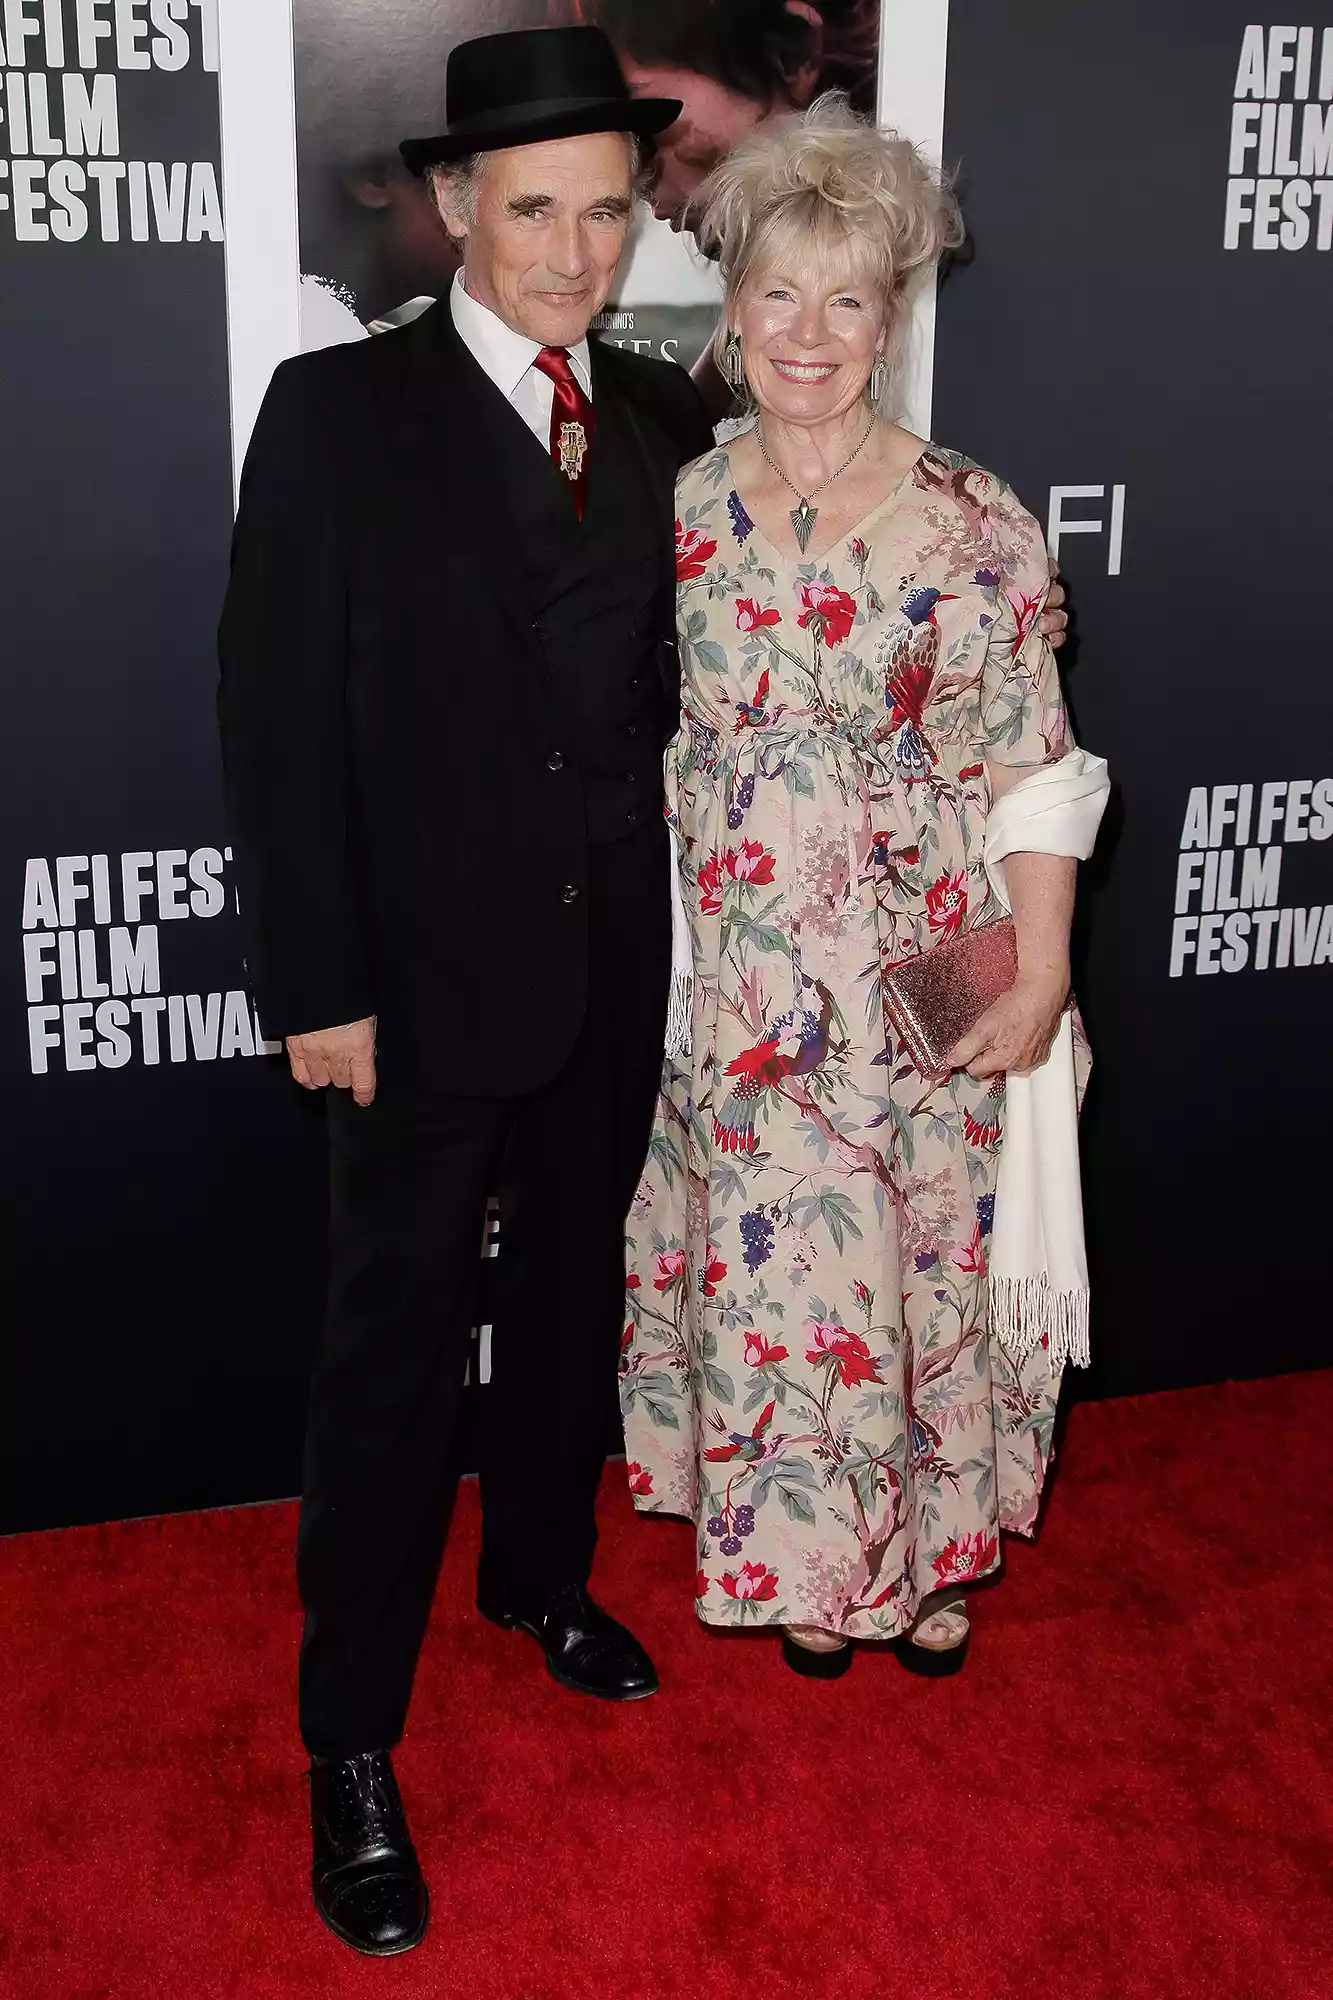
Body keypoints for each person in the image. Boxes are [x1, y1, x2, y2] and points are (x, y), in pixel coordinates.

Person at [217, 26, 713, 1958]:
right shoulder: (336, 413)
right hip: (409, 993)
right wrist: (314, 979)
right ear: (452, 210)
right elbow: (273, 722)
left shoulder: (671, 415)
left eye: (608, 208)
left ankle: (540, 1580)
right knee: (390, 1359)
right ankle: (349, 1738)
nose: (578, 251)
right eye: (536, 210)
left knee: (579, 1290)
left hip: (616, 963)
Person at [621, 95, 1107, 1680]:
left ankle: (926, 1563)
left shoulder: (974, 522)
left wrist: (1036, 978)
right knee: (779, 1280)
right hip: (749, 992)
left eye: (848, 300)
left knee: (915, 1282)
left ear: (892, 316)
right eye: (778, 295)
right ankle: (807, 1570)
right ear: (732, 307)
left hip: (921, 988)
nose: (810, 335)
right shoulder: (689, 509)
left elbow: (1036, 770)